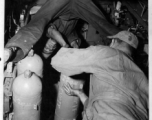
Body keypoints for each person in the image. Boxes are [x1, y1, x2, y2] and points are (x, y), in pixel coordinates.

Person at [51, 30, 148, 120]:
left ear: (114, 41)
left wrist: (65, 45)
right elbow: (114, 102)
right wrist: (80, 93)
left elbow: (58, 61)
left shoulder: (107, 53)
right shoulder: (142, 76)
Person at [4, 0, 120, 64]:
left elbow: (52, 32)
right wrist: (74, 46)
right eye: (51, 50)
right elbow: (72, 35)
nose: (50, 48)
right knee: (101, 23)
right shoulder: (65, 34)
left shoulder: (47, 32)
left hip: (61, 3)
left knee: (37, 22)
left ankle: (14, 48)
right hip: (78, 6)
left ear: (43, 44)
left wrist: (64, 45)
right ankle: (122, 41)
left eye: (46, 49)